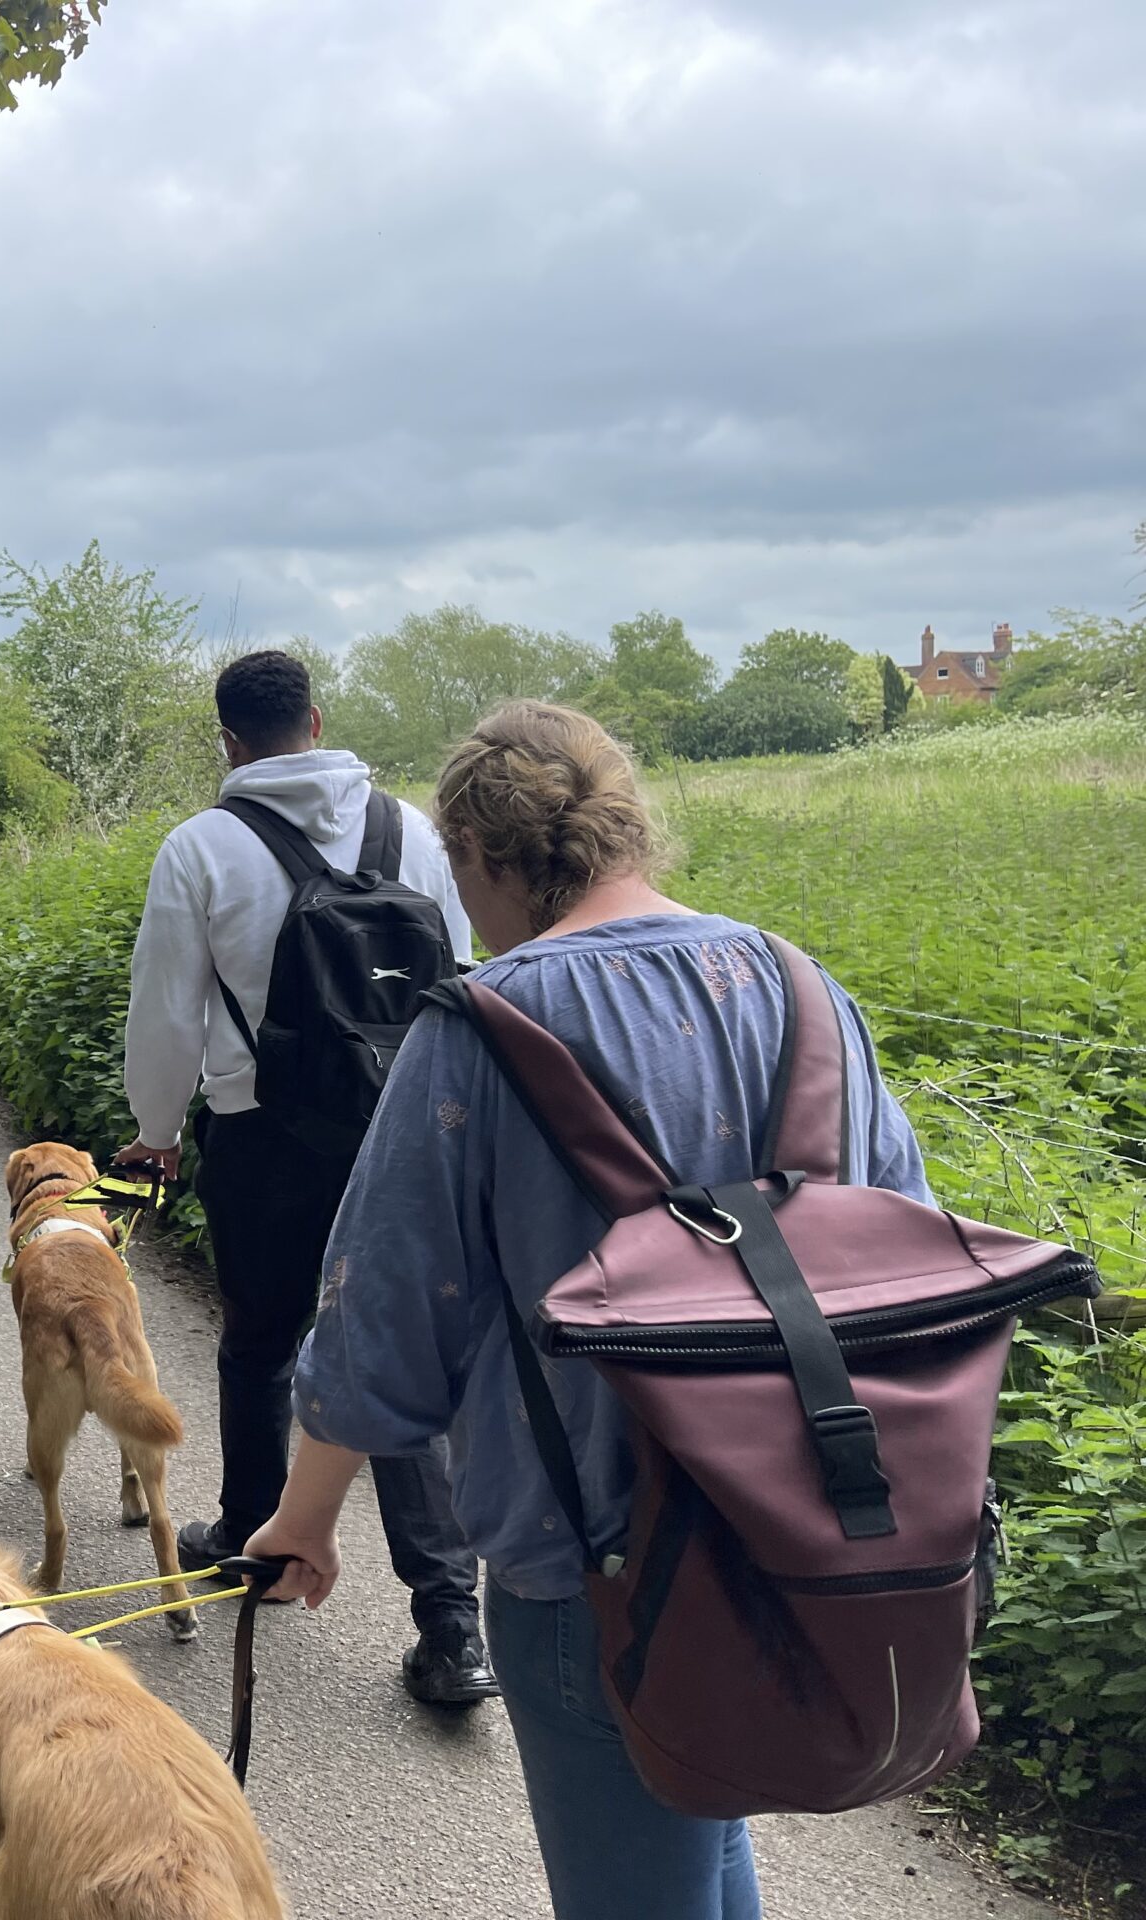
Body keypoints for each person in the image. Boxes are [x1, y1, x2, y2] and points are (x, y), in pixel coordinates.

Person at [244, 702, 933, 1919]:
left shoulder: (477, 1031)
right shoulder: (800, 986)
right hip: (811, 1528)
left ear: (473, 856)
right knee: (701, 1821)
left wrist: (305, 1516)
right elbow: (904, 1251)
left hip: (596, 1560)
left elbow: (380, 1318)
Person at [114, 648, 495, 1706]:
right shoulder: (411, 831)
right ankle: (451, 1626)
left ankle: (253, 1538)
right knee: (401, 1356)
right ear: (318, 721)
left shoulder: (202, 847)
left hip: (264, 1136)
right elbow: (457, 976)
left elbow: (166, 1012)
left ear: (227, 739)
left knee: (261, 1341)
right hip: (404, 1135)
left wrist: (157, 1128)